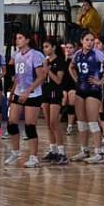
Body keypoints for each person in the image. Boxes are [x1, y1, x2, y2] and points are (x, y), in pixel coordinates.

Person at [5, 32, 47, 168]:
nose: (17, 40)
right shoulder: (16, 56)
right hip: (19, 92)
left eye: (20, 38)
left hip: (33, 94)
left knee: (30, 126)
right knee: (11, 123)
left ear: (27, 40)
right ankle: (15, 152)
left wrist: (28, 91)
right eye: (16, 38)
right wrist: (12, 92)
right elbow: (17, 77)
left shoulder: (35, 55)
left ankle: (34, 157)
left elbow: (41, 76)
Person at [69, 32, 104, 164]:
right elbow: (71, 67)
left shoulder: (97, 53)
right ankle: (84, 150)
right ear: (81, 41)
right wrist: (76, 79)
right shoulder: (78, 54)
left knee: (92, 121)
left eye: (92, 40)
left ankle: (98, 152)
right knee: (81, 122)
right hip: (80, 90)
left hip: (93, 90)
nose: (90, 42)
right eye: (87, 40)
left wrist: (101, 81)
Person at [41, 37, 69, 165]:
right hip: (45, 92)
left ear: (53, 47)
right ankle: (53, 150)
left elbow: (58, 80)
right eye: (44, 47)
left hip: (55, 93)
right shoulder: (46, 61)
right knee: (48, 124)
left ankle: (62, 152)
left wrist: (48, 70)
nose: (45, 49)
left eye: (47, 46)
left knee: (54, 123)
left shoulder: (60, 61)